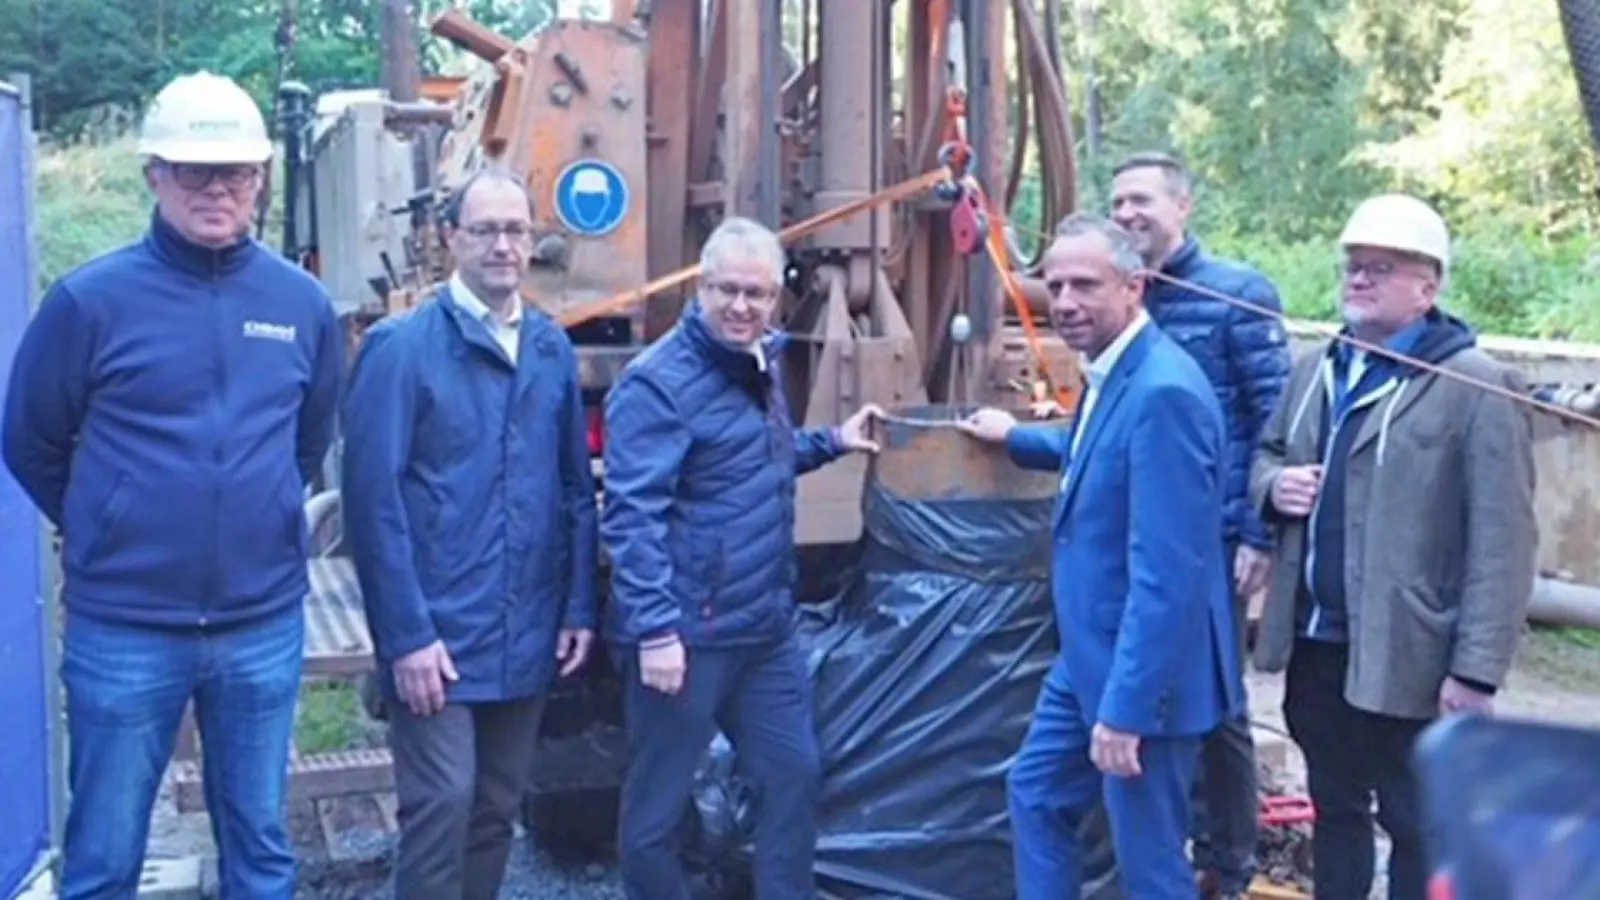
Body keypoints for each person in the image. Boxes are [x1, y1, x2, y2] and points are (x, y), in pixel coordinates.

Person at [0, 71, 342, 899]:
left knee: (261, 855)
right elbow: (30, 439)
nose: (215, 189)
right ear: (154, 174)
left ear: (260, 178)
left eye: (235, 172)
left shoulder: (301, 305)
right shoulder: (90, 302)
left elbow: (308, 440)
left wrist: (259, 514)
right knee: (102, 860)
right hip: (125, 628)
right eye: (194, 171)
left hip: (259, 624)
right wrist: (109, 522)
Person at [1249, 193, 1537, 900]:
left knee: (1416, 822)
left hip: (1413, 654)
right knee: (1336, 808)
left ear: (1427, 287)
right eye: (1353, 265)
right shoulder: (1316, 368)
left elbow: (1504, 541)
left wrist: (1476, 673)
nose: (1359, 278)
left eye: (1381, 268)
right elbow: (1266, 452)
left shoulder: (1474, 385)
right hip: (1317, 645)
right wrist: (1274, 485)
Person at [959, 213, 1242, 899]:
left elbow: (1166, 576)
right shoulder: (1117, 371)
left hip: (1143, 674)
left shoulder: (1164, 392)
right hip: (1091, 656)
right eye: (1055, 285)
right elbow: (1098, 452)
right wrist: (1016, 438)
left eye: (1086, 285)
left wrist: (1126, 711)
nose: (1064, 301)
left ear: (1133, 286)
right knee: (1036, 794)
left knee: (1149, 864)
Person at [601, 216, 883, 900]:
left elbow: (756, 462)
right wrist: (656, 630)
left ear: (776, 297)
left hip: (762, 631)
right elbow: (633, 518)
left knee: (793, 776)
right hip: (687, 638)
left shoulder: (759, 361)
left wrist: (832, 442)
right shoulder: (656, 384)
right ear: (701, 287)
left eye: (756, 293)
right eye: (726, 290)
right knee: (657, 811)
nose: (740, 306)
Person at [340, 170, 599, 900]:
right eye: (484, 230)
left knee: (495, 808)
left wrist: (578, 606)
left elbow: (575, 491)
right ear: (451, 239)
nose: (502, 245)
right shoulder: (401, 348)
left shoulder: (548, 348)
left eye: (515, 230)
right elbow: (372, 504)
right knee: (442, 803)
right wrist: (406, 638)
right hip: (438, 633)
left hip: (525, 624)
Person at [1108, 150, 1291, 897]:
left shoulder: (1236, 295)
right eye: (1118, 203)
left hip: (1215, 539)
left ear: (1183, 207)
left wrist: (1258, 533)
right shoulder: (1127, 298)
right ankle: (1168, 846)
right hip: (1141, 535)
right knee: (1154, 690)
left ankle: (1227, 863)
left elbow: (1277, 422)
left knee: (1218, 704)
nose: (1128, 214)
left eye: (1142, 200)